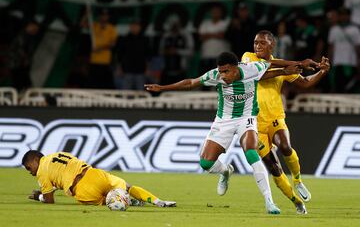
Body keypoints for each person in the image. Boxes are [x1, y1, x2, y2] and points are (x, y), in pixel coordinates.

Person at [145, 51, 313, 214]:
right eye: (221, 71)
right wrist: (162, 87)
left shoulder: (251, 69)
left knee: (251, 153)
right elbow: (190, 83)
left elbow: (274, 64)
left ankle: (269, 202)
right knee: (206, 163)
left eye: (226, 71)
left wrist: (297, 65)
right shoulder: (215, 76)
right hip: (224, 121)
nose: (223, 75)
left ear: (236, 67)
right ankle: (226, 171)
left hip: (247, 118)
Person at [241, 30, 330, 214]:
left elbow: (305, 82)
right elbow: (263, 69)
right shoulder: (248, 58)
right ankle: (296, 201)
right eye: (256, 42)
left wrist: (321, 72)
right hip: (254, 124)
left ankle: (298, 180)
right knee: (274, 168)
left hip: (275, 117)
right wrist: (298, 63)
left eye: (262, 43)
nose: (257, 46)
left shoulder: (284, 66)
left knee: (285, 147)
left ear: (272, 45)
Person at [22, 150, 176, 208]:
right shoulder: (56, 155)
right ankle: (158, 201)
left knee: (109, 201)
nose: (30, 172)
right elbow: (63, 172)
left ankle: (125, 200)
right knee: (127, 186)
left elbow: (49, 200)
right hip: (93, 173)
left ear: (36, 159)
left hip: (82, 189)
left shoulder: (42, 171)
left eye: (29, 167)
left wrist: (40, 196)